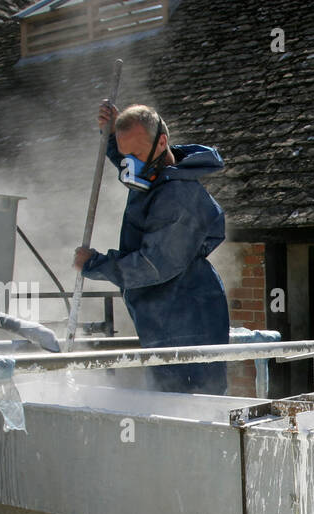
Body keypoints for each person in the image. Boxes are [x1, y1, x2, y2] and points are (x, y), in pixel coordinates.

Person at [73, 102, 229, 393]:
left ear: (162, 142)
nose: (128, 164)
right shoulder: (151, 173)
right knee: (167, 399)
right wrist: (110, 136)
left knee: (190, 406)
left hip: (189, 320)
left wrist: (96, 264)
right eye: (124, 155)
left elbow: (152, 265)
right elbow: (130, 160)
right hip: (163, 316)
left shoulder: (179, 197)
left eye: (135, 155)